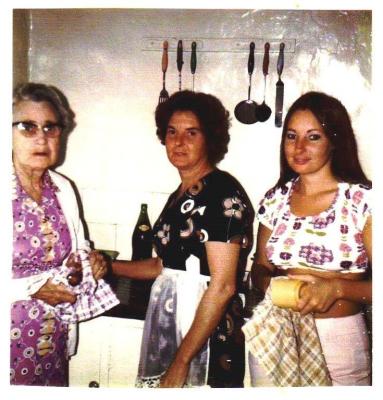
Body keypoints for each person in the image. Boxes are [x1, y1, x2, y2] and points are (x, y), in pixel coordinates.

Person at [112, 90, 254, 388]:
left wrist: (182, 361)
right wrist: (108, 265)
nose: (178, 142)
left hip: (204, 336)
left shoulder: (222, 193)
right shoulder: (181, 194)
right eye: (172, 132)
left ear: (210, 139)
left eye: (192, 132)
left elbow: (223, 285)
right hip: (171, 324)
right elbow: (163, 266)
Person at [246, 91, 372, 386]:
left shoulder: (363, 201)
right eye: (291, 136)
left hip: (338, 343)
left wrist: (336, 289)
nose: (299, 147)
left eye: (313, 137)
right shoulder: (275, 199)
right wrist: (272, 285)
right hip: (276, 332)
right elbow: (260, 266)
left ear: (334, 141)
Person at [11, 82, 119, 386]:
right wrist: (31, 289)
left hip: (52, 339)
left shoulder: (63, 189)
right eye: (27, 127)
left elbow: (78, 247)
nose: (42, 138)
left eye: (51, 127)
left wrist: (91, 261)